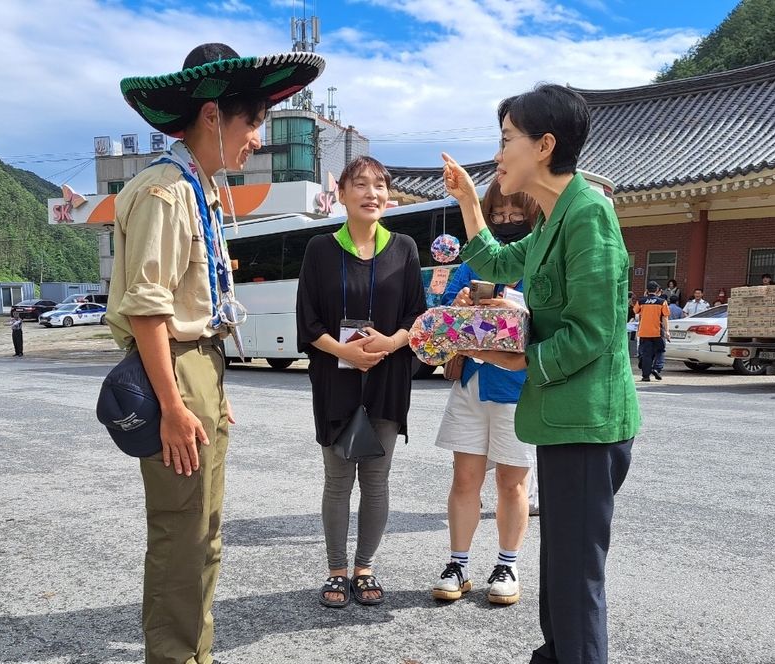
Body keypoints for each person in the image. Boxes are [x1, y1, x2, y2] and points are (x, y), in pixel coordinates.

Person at [107, 43, 323, 663]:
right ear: (211, 115)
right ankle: (176, 657)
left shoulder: (197, 188)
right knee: (181, 533)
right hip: (175, 366)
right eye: (251, 122)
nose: (257, 138)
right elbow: (148, 310)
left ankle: (196, 653)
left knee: (204, 532)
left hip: (203, 365)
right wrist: (175, 407)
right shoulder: (165, 192)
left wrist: (213, 391)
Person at [442, 82, 640, 664]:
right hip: (561, 419)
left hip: (588, 424)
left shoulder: (588, 216)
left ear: (545, 146)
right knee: (559, 565)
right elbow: (499, 263)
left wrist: (519, 356)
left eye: (507, 140)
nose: (498, 155)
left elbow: (595, 331)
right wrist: (469, 205)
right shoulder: (554, 217)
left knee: (576, 580)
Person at [296, 156, 426, 608]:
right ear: (342, 194)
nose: (373, 192)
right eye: (361, 184)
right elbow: (307, 320)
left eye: (381, 185)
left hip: (388, 376)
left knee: (377, 479)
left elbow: (417, 314)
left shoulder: (405, 247)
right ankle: (336, 570)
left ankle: (365, 566)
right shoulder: (320, 249)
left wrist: (390, 343)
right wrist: (345, 351)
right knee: (337, 480)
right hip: (337, 376)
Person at [431, 180, 539, 606]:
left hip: (517, 387)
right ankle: (458, 563)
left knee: (512, 485)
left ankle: (507, 564)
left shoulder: (541, 259)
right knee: (464, 479)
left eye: (516, 216)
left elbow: (548, 321)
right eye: (497, 216)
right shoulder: (475, 260)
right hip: (472, 381)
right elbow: (439, 310)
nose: (506, 222)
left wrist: (512, 303)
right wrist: (459, 303)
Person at [634, 281, 670, 381]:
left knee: (646, 354)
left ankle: (645, 376)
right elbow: (665, 317)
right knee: (660, 351)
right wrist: (667, 331)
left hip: (644, 332)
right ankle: (657, 368)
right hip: (657, 331)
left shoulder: (641, 301)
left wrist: (645, 297)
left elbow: (635, 311)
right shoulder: (662, 301)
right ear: (657, 290)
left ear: (647, 290)